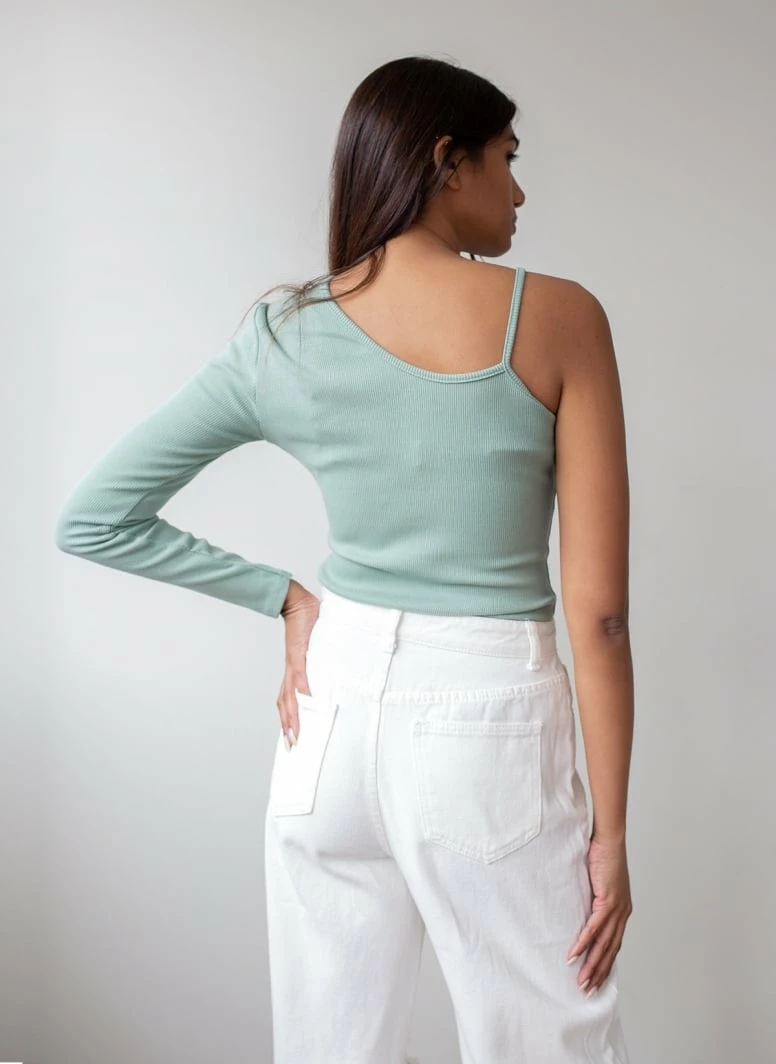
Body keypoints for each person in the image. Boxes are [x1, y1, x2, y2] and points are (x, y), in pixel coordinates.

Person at [54, 54, 633, 1064]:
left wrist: (285, 599)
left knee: (332, 1042)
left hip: (328, 720)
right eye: (507, 158)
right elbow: (600, 617)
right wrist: (612, 835)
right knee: (547, 1038)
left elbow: (94, 516)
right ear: (447, 161)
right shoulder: (558, 317)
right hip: (485, 720)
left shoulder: (285, 333)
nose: (518, 190)